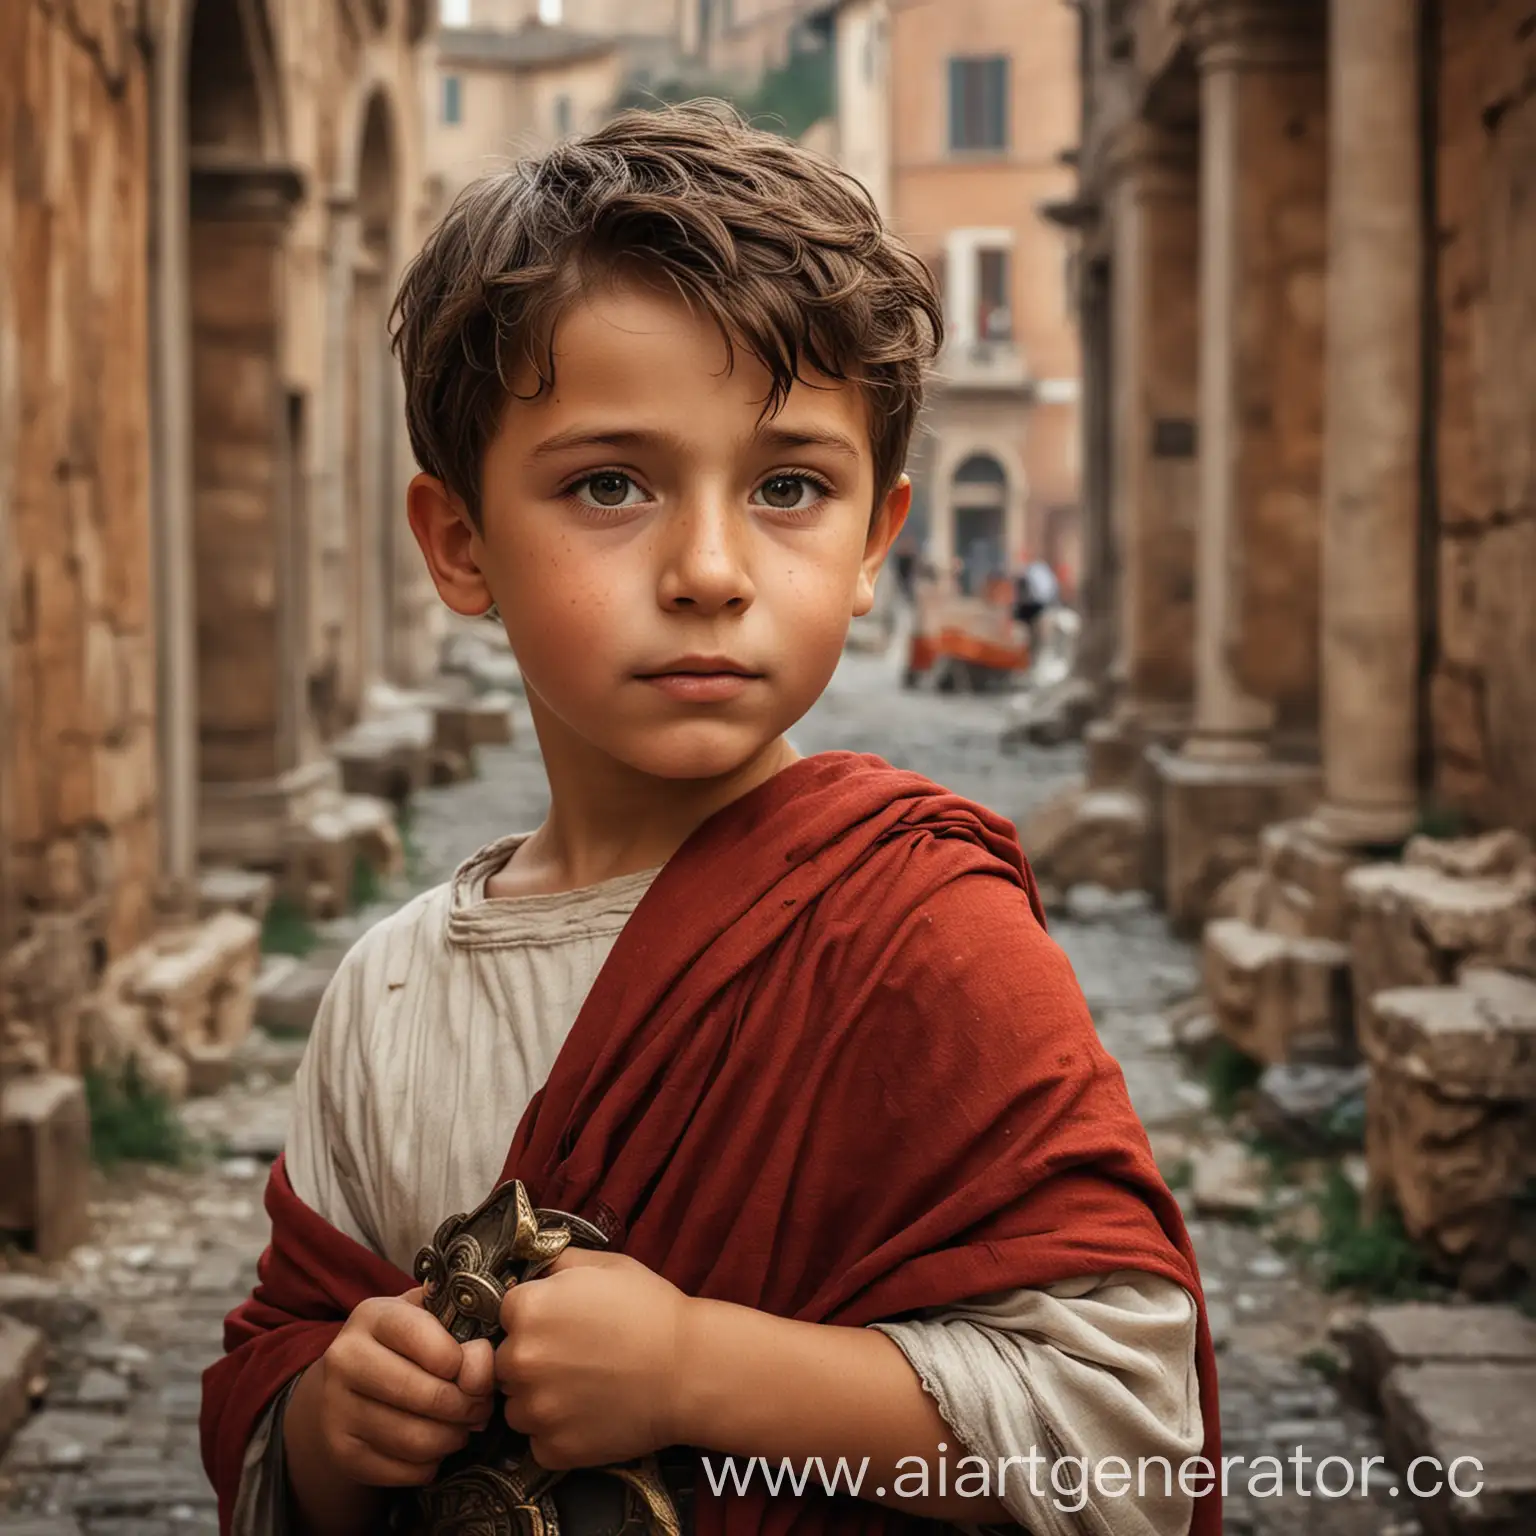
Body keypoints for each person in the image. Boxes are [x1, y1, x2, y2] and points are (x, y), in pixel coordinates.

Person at [201, 104, 1219, 1536]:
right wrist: (329, 1416)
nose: (708, 569)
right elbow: (279, 1369)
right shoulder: (386, 999)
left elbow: (1130, 1442)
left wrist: (701, 1373)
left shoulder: (925, 939)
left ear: (875, 541)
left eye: (788, 487)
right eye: (609, 485)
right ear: (460, 542)